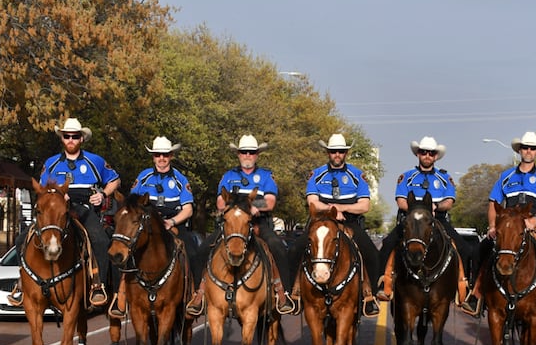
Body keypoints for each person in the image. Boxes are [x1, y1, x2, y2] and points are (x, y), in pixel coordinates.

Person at [458, 131, 536, 328]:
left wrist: (535, 220)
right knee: (479, 251)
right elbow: (493, 202)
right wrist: (493, 226)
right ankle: (475, 295)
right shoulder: (506, 176)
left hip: (533, 223)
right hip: (508, 223)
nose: (528, 151)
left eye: (532, 148)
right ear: (520, 150)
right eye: (525, 147)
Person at [9, 118, 119, 307]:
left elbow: (115, 180)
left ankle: (97, 284)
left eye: (74, 136)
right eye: (67, 136)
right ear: (62, 138)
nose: (70, 139)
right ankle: (21, 284)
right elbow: (43, 190)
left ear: (81, 139)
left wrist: (102, 194)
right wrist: (57, 199)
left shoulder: (95, 161)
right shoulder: (51, 163)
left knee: (101, 240)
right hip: (55, 211)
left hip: (83, 209)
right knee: (21, 240)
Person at [194, 134, 290, 316]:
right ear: (238, 154)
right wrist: (241, 208)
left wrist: (252, 207)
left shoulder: (266, 176)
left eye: (251, 152)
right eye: (244, 152)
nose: (247, 155)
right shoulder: (228, 176)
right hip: (231, 225)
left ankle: (283, 294)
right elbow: (221, 203)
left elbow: (269, 202)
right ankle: (198, 294)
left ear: (257, 155)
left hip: (258, 224)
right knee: (202, 250)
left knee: (278, 247)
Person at [287, 134, 380, 317]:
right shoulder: (317, 174)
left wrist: (342, 209)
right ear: (328, 153)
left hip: (349, 222)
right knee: (295, 250)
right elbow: (312, 201)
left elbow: (365, 205)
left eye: (340, 151)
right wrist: (331, 210)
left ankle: (370, 296)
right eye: (333, 151)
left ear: (346, 153)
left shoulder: (356, 175)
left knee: (372, 253)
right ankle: (294, 295)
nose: (337, 154)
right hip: (321, 222)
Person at [376, 136, 472, 303]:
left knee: (463, 248)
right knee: (388, 244)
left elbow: (449, 202)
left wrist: (436, 207)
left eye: (431, 153)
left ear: (436, 156)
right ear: (418, 154)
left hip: (438, 219)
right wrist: (418, 210)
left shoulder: (445, 178)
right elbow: (401, 201)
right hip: (411, 219)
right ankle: (381, 286)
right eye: (423, 152)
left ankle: (464, 289)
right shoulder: (406, 177)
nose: (427, 155)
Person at [119, 136, 202, 318]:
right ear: (153, 157)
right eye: (158, 155)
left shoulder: (180, 179)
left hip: (173, 224)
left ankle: (194, 295)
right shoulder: (143, 177)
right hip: (146, 226)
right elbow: (131, 205)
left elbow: (188, 210)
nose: (161, 159)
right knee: (125, 247)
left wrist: (171, 222)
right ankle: (121, 296)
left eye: (165, 155)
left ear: (171, 156)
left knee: (193, 250)